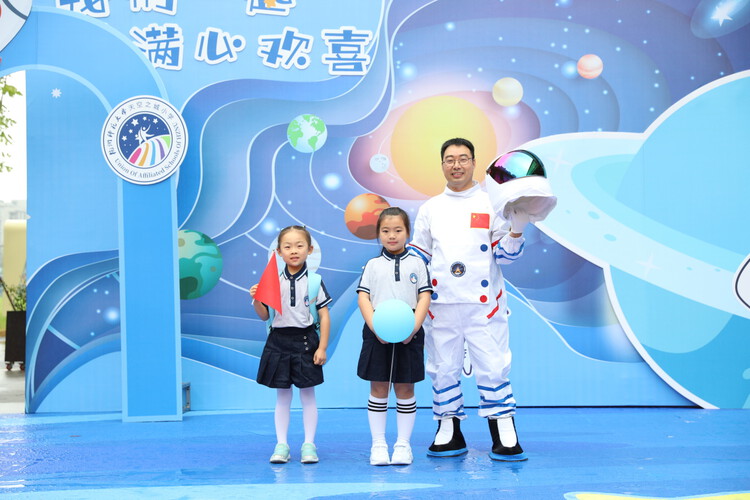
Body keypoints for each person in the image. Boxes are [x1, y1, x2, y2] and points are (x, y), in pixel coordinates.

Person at [408, 138, 529, 462]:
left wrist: (516, 230)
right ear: (442, 165)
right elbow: (419, 257)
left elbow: (505, 257)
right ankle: (448, 427)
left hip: (484, 306)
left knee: (493, 366)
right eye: (450, 159)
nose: (456, 165)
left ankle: (503, 427)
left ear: (474, 163)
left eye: (463, 158)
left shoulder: (492, 204)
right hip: (441, 305)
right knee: (442, 368)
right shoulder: (430, 208)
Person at [249, 225, 332, 465]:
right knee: (282, 396)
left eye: (299, 246)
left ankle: (309, 444)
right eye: (287, 247)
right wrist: (256, 299)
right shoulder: (272, 281)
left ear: (310, 249)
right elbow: (264, 316)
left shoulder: (315, 281)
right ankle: (282, 444)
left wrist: (322, 347)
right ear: (278, 252)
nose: (293, 251)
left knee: (308, 395)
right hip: (278, 341)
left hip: (307, 342)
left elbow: (324, 315)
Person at [356, 207, 432, 466]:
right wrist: (376, 327)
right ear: (378, 234)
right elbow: (363, 297)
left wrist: (413, 328)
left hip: (409, 332)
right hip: (377, 331)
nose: (392, 235)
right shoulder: (372, 265)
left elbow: (424, 296)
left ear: (407, 232)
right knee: (378, 387)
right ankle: (378, 445)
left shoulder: (418, 263)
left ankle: (402, 445)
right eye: (386, 231)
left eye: (398, 230)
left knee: (405, 387)